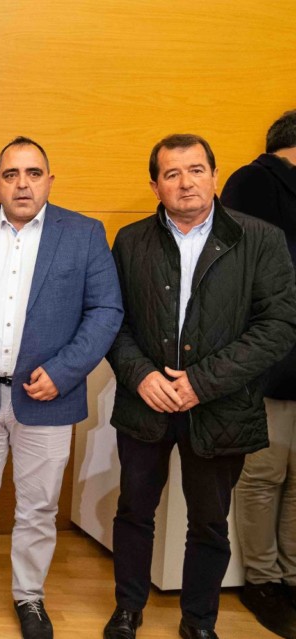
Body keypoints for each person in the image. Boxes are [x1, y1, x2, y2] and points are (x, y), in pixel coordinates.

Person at [0, 137, 123, 638]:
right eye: (11, 174)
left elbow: (106, 311)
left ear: (49, 181)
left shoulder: (83, 233)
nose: (22, 184)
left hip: (49, 398)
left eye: (33, 173)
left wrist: (64, 372)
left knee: (39, 508)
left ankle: (29, 596)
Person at [104, 133, 296, 639]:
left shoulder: (261, 239)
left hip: (221, 407)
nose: (185, 182)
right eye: (172, 174)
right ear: (155, 186)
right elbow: (112, 321)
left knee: (209, 522)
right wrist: (141, 375)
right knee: (134, 511)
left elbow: (278, 326)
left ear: (214, 175)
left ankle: (199, 621)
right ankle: (127, 610)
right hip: (145, 404)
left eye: (195, 170)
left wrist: (201, 383)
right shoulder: (130, 241)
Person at [221, 109, 296, 638]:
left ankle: (291, 575)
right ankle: (264, 580)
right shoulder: (252, 182)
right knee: (265, 473)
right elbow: (241, 275)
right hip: (271, 357)